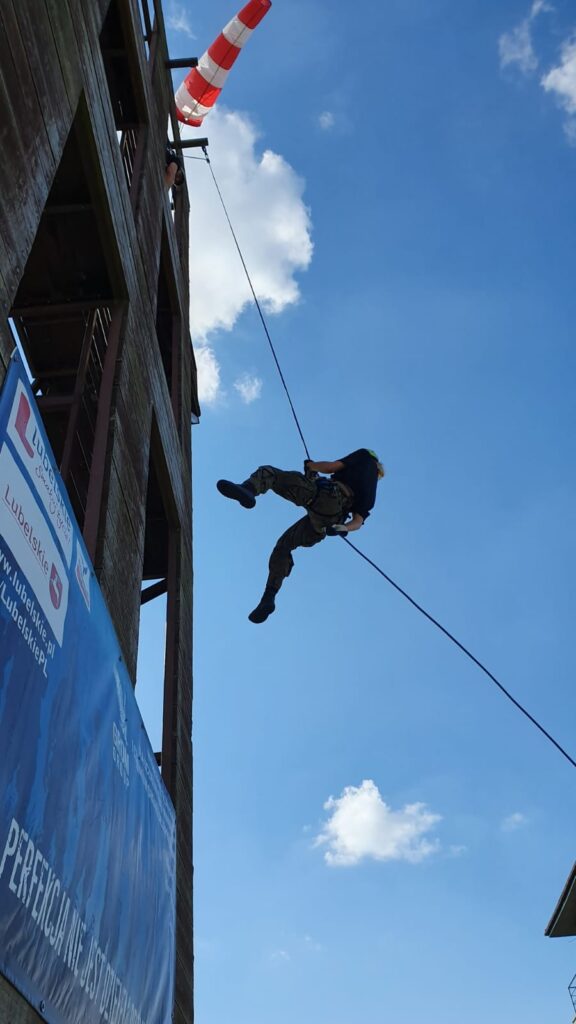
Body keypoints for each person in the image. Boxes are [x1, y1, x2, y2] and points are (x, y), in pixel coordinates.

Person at [217, 449, 385, 623]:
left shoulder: (364, 457)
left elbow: (332, 467)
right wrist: (342, 528)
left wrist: (312, 466)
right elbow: (358, 521)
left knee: (270, 473)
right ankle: (269, 597)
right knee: (283, 546)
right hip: (327, 521)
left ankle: (248, 489)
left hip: (326, 495)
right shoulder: (371, 492)